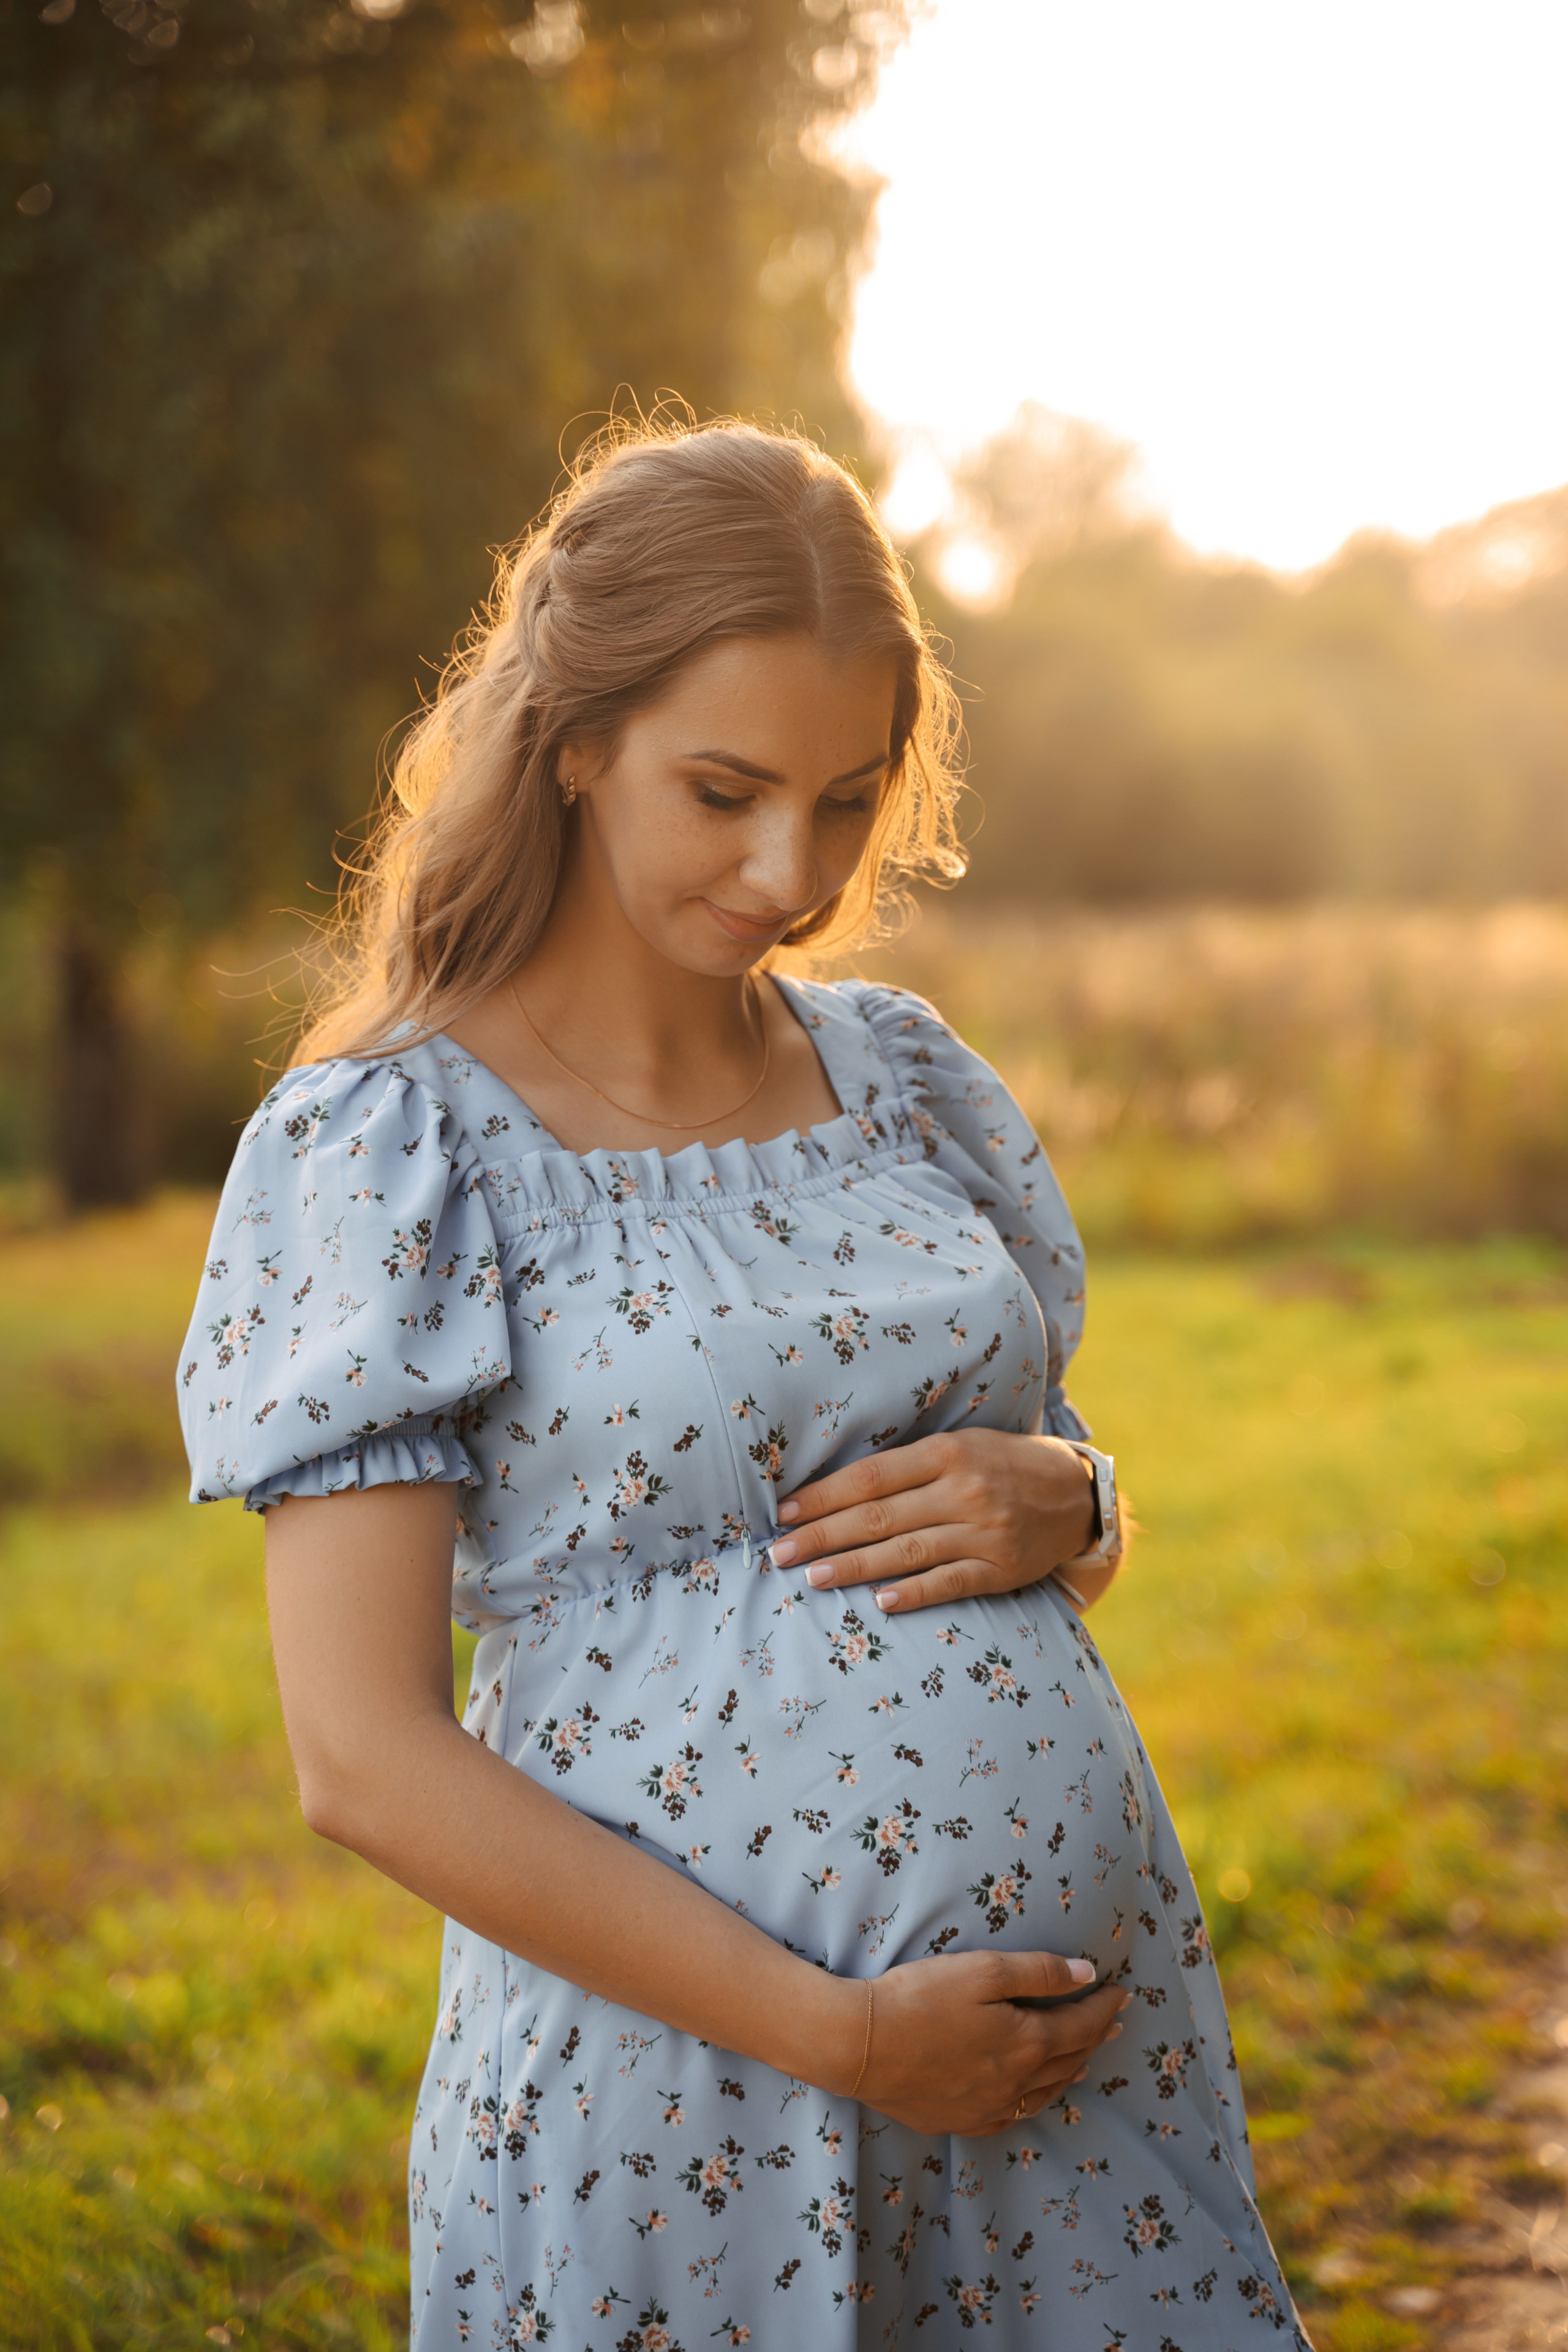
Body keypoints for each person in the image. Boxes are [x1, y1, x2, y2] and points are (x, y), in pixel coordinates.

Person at [179, 419, 1305, 2350]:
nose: (792, 871)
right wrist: (848, 2031)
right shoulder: (387, 1146)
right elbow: (359, 1759)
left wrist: (1081, 1496)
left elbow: (987, 1510)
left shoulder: (899, 1075)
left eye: (849, 802)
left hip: (1070, 2091)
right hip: (692, 2108)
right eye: (726, 791)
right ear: (574, 737)